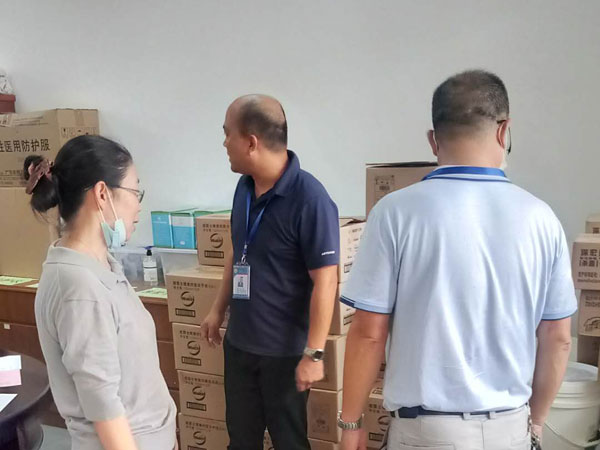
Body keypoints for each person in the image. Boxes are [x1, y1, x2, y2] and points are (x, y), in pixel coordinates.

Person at [338, 70, 576, 450]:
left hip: (424, 433)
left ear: (433, 140)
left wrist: (351, 424)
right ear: (504, 131)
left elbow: (369, 332)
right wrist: (535, 423)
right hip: (509, 429)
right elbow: (558, 338)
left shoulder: (395, 213)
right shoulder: (541, 219)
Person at [201, 94, 340, 450]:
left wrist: (314, 354)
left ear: (251, 142)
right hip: (240, 346)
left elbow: (326, 281)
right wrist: (218, 309)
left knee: (289, 443)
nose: (224, 143)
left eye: (227, 134)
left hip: (284, 355)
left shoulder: (311, 199)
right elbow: (237, 249)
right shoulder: (244, 188)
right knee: (241, 442)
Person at [26, 135, 177, 450]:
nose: (138, 205)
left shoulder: (101, 266)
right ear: (102, 193)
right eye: (135, 191)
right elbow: (104, 407)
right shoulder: (79, 288)